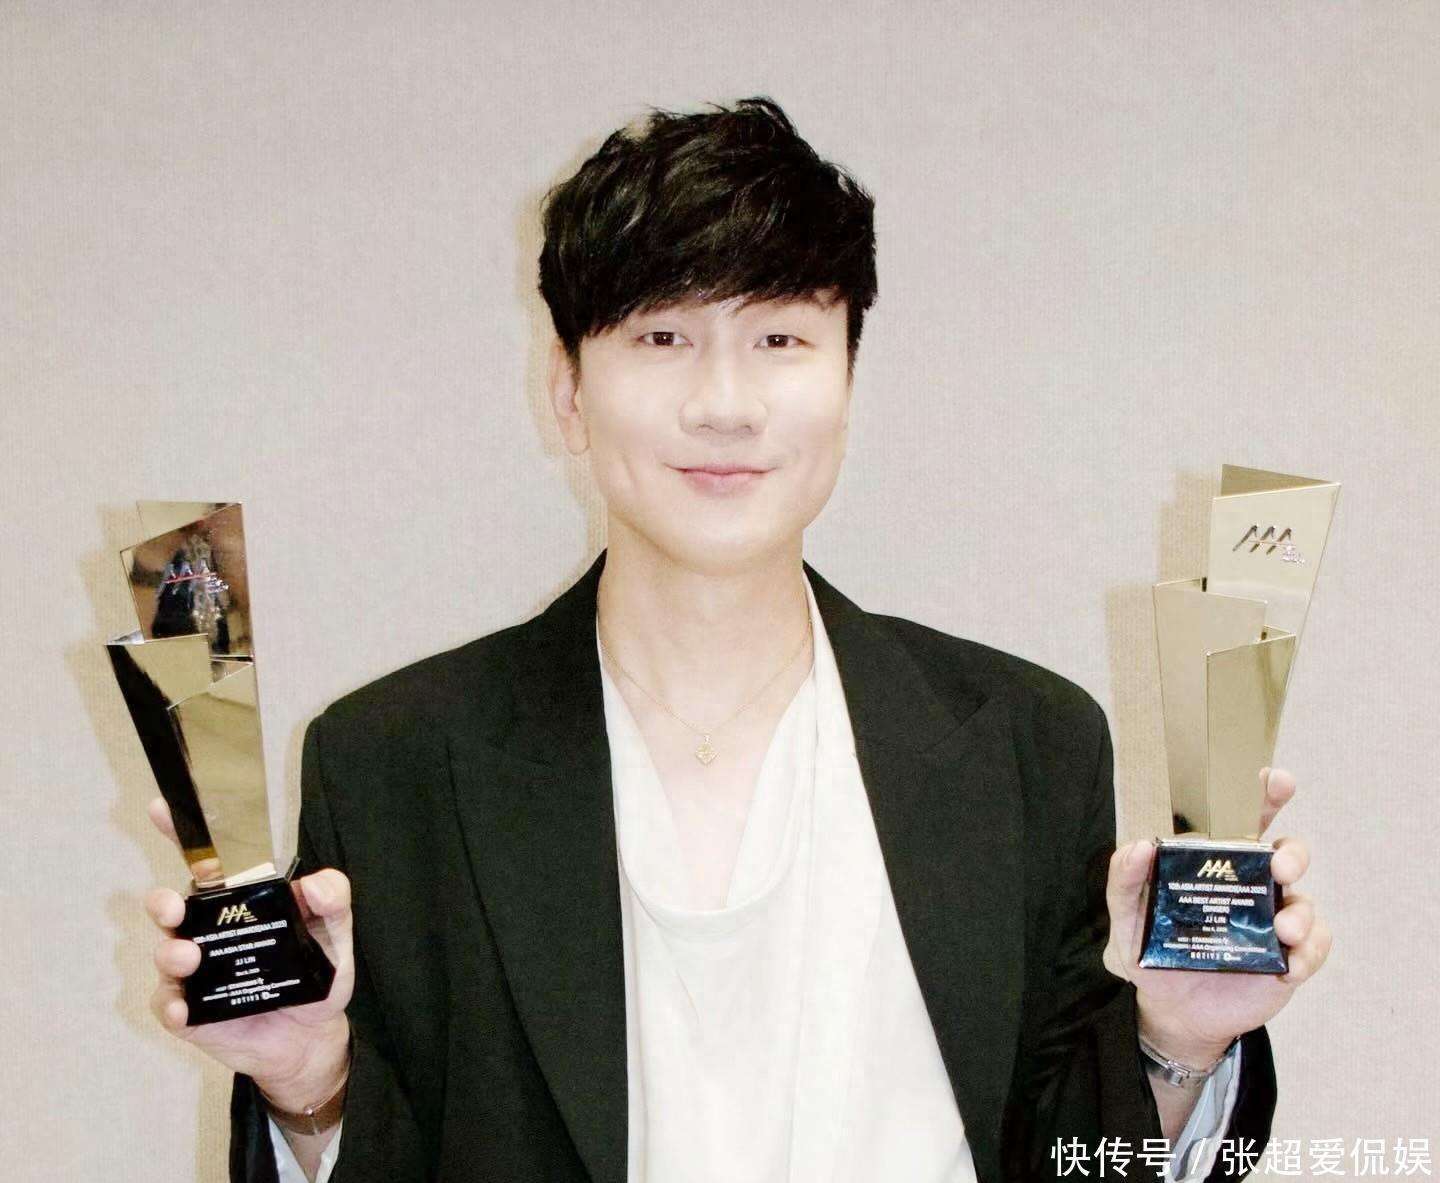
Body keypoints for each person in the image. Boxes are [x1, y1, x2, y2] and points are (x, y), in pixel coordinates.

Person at [142, 96, 1330, 1183]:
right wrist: (306, 1082)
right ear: (568, 390)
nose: (724, 404)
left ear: (849, 377)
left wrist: (1179, 1041)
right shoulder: (394, 760)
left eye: (780, 339)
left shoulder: (1027, 743)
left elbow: (1075, 1157)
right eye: (662, 338)